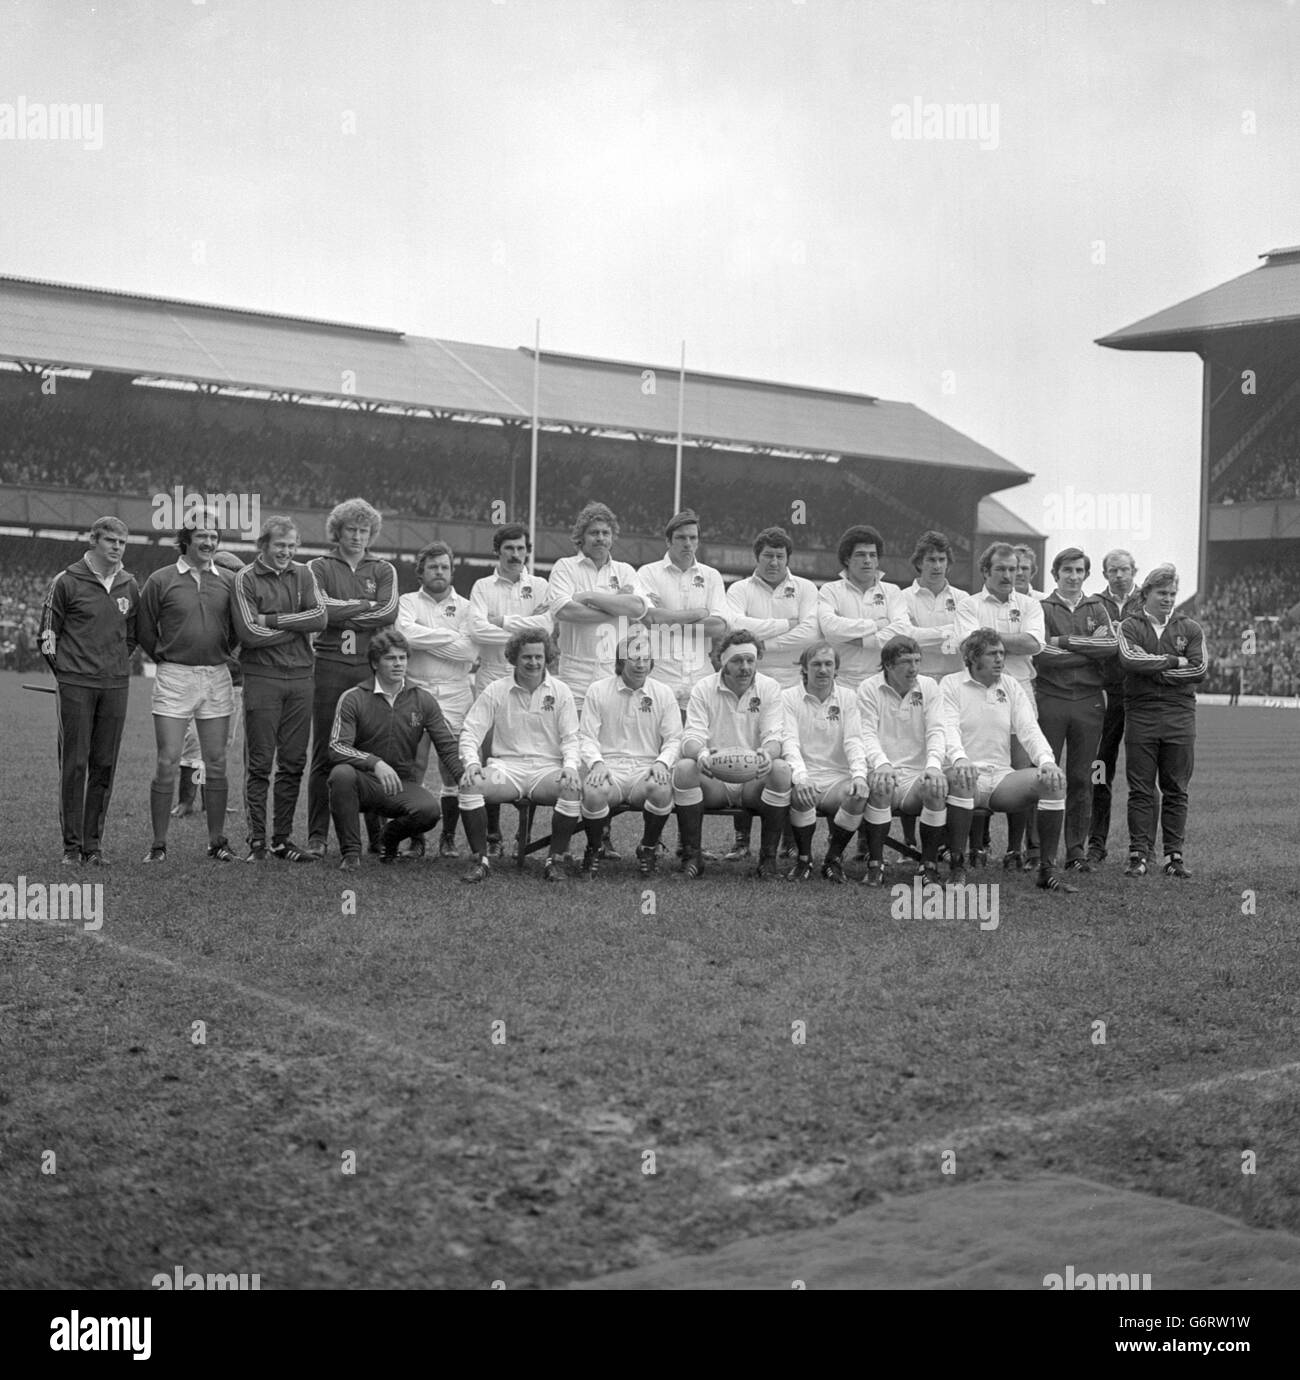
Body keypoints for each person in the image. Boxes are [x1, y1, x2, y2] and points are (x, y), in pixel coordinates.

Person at [546, 501, 648, 859]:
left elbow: (637, 609)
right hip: (574, 673)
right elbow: (563, 609)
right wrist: (612, 604)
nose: (600, 538)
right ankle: (561, 841)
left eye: (606, 532)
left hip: (611, 673)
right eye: (594, 532)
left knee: (604, 754)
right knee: (574, 753)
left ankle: (599, 839)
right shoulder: (564, 567)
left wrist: (589, 596)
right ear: (581, 536)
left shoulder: (624, 569)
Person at [136, 511, 239, 862]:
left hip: (216, 676)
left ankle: (216, 842)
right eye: (201, 536)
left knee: (216, 761)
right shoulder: (160, 580)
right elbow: (145, 630)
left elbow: (238, 629)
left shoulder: (228, 580)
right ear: (186, 539)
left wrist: (222, 653)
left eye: (213, 536)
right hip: (175, 676)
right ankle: (158, 844)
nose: (209, 542)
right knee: (167, 760)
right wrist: (168, 659)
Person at [939, 628, 1074, 893]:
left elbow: (1029, 730)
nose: (1000, 659)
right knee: (962, 779)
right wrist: (959, 759)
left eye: (1002, 653)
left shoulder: (1010, 685)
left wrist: (1047, 761)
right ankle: (957, 868)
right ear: (973, 657)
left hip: (1001, 777)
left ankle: (1047, 871)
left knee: (1054, 782)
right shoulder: (951, 684)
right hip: (963, 774)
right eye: (992, 654)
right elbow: (947, 728)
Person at [39, 516, 140, 866]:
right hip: (76, 684)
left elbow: (131, 636)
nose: (117, 547)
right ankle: (71, 847)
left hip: (115, 685)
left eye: (122, 542)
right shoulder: (66, 581)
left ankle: (92, 847)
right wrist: (67, 673)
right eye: (111, 540)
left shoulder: (130, 585)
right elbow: (48, 637)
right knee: (75, 764)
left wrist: (112, 664)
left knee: (104, 764)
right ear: (94, 541)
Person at [230, 515, 326, 862]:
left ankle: (282, 840)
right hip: (262, 678)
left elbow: (320, 618)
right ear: (263, 545)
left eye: (291, 545)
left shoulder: (305, 574)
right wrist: (297, 627)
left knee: (293, 762)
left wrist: (271, 620)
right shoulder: (245, 578)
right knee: (259, 764)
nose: (286, 551)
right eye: (279, 545)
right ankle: (257, 841)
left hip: (302, 677)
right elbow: (248, 635)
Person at [306, 498, 399, 857]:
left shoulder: (383, 569)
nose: (358, 536)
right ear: (338, 532)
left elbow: (389, 611)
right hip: (329, 666)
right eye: (351, 529)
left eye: (364, 530)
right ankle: (317, 835)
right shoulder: (319, 566)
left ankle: (374, 834)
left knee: (370, 750)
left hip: (367, 668)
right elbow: (319, 611)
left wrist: (343, 611)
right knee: (325, 751)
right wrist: (366, 608)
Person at [721, 525, 820, 860]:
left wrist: (756, 642)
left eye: (780, 556)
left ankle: (789, 839)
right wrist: (783, 626)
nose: (774, 562)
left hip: (793, 682)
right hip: (749, 678)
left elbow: (810, 633)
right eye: (768, 556)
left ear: (788, 558)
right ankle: (740, 840)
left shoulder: (805, 588)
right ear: (757, 558)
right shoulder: (739, 588)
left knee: (786, 759)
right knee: (744, 750)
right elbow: (733, 626)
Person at [327, 629, 462, 871]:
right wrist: (375, 763)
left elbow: (447, 746)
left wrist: (465, 776)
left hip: (400, 784)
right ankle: (350, 853)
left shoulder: (423, 699)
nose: (398, 663)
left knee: (429, 811)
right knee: (341, 775)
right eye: (390, 658)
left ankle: (387, 838)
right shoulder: (353, 698)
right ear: (374, 663)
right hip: (363, 782)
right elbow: (337, 747)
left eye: (402, 658)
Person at [457, 631, 583, 884]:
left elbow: (571, 738)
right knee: (469, 784)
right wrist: (471, 763)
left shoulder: (561, 691)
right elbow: (471, 730)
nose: (533, 662)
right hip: (506, 768)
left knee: (570, 787)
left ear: (547, 657)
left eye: (539, 656)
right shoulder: (496, 689)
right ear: (514, 657)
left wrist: (570, 767)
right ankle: (480, 860)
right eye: (527, 657)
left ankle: (554, 861)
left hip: (547, 769)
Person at [954, 543, 1046, 869]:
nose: (1010, 575)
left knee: (1021, 769)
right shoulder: (968, 604)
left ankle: (1017, 848)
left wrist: (988, 639)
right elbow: (968, 647)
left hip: (1019, 689)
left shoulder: (1031, 604)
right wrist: (1010, 638)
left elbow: (1033, 643)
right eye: (1002, 569)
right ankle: (976, 846)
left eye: (1014, 569)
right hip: (977, 690)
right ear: (986, 572)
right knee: (979, 765)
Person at [672, 632, 793, 879]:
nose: (745, 667)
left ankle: (767, 861)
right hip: (715, 778)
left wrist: (767, 755)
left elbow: (774, 736)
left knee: (780, 770)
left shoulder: (769, 687)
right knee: (685, 768)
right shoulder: (704, 688)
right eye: (737, 661)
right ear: (723, 662)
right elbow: (691, 737)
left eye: (750, 660)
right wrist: (703, 754)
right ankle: (692, 858)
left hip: (753, 778)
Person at [467, 523, 554, 858]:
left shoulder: (541, 585)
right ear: (498, 551)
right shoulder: (481, 586)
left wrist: (500, 620)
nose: (516, 555)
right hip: (492, 677)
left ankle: (524, 835)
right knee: (491, 756)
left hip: (531, 678)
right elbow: (477, 631)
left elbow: (546, 630)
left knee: (528, 752)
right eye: (509, 549)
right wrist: (527, 626)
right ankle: (492, 833)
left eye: (521, 549)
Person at [1115, 565, 1205, 878]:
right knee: (1140, 789)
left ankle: (1173, 856)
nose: (1167, 599)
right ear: (1146, 595)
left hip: (1180, 715)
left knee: (1176, 789)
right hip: (1141, 714)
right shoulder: (1129, 626)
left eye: (1171, 594)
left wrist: (1153, 670)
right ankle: (1139, 854)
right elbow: (1128, 661)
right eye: (1161, 593)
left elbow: (1199, 670)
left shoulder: (1190, 627)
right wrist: (1172, 662)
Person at [1034, 548, 1117, 872]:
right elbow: (1040, 652)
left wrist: (1064, 641)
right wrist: (1086, 648)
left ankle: (1076, 851)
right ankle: (1040, 851)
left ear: (1086, 574)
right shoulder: (1042, 607)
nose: (1073, 576)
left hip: (1088, 701)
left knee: (1082, 778)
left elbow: (1110, 648)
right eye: (1067, 570)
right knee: (1046, 774)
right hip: (1051, 697)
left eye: (1079, 570)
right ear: (1056, 574)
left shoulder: (1097, 607)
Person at [579, 623, 683, 877]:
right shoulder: (598, 690)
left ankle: (647, 848)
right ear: (620, 661)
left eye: (646, 659)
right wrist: (597, 764)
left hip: (645, 768)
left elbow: (674, 739)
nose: (640, 665)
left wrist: (661, 764)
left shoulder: (663, 692)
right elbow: (586, 736)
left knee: (661, 789)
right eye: (633, 658)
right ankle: (595, 848)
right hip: (608, 767)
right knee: (593, 792)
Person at [397, 541, 477, 857]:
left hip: (456, 692)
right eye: (433, 566)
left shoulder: (468, 607)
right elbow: (404, 636)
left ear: (451, 570)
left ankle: (448, 838)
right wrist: (451, 637)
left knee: (452, 767)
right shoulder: (407, 601)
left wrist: (424, 637)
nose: (439, 572)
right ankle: (415, 838)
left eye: (444, 566)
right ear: (421, 571)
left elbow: (470, 651)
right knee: (414, 764)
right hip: (416, 690)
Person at [857, 635, 949, 887]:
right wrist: (881, 764)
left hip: (916, 774)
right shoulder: (868, 688)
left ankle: (928, 866)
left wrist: (932, 766)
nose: (914, 668)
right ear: (888, 665)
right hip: (882, 769)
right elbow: (866, 732)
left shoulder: (929, 686)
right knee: (882, 784)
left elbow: (937, 730)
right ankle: (875, 865)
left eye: (917, 660)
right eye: (906, 661)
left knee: (934, 786)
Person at [780, 642, 869, 884]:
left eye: (828, 664)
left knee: (858, 795)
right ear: (805, 669)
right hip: (805, 775)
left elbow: (854, 741)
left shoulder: (849, 697)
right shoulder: (788, 697)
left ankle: (833, 859)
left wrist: (859, 776)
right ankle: (804, 859)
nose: (822, 670)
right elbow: (789, 742)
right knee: (800, 794)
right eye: (816, 664)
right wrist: (800, 778)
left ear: (836, 669)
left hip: (837, 777)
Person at [634, 508, 730, 713]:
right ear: (669, 541)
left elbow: (718, 627)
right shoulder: (647, 573)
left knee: (697, 742)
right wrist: (700, 613)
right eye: (680, 537)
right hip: (660, 676)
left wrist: (667, 618)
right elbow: (651, 620)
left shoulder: (711, 576)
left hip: (701, 677)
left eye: (693, 537)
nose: (687, 543)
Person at [1087, 549, 1143, 864]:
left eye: (1124, 569)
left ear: (1134, 571)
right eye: (1112, 570)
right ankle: (1096, 843)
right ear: (1105, 574)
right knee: (1100, 769)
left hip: (1139, 696)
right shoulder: (1095, 604)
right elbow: (1084, 643)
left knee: (1142, 774)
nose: (1118, 575)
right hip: (1106, 694)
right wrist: (1096, 638)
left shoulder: (1146, 601)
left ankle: (1141, 848)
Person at [816, 525, 910, 692]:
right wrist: (876, 625)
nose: (867, 560)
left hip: (881, 680)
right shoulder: (830, 590)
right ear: (847, 559)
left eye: (872, 555)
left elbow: (902, 631)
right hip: (840, 681)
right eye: (860, 555)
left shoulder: (892, 591)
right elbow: (830, 628)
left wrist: (861, 641)